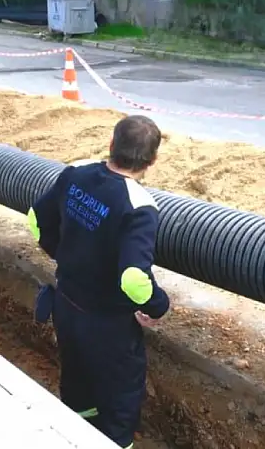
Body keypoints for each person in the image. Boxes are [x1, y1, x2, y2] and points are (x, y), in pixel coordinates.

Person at [27, 115, 170, 449]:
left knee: (76, 381)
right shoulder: (139, 206)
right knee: (120, 398)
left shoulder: (76, 173)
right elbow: (133, 277)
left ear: (111, 145)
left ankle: (74, 437)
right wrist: (158, 306)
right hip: (108, 326)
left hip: (66, 305)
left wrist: (67, 256)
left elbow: (36, 220)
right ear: (152, 160)